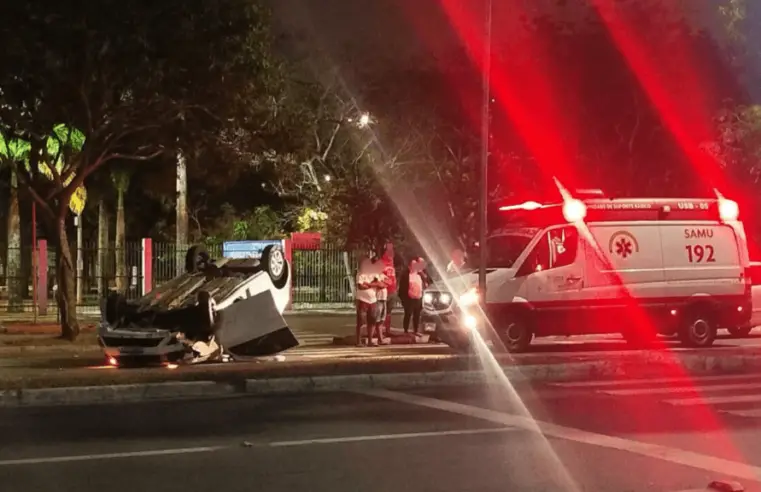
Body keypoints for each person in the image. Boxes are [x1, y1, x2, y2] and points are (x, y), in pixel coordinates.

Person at [355, 254, 384, 346]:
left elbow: (381, 285)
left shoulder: (374, 274)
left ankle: (370, 341)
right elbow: (360, 286)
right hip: (362, 300)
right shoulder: (360, 274)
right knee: (361, 321)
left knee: (372, 321)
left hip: (373, 300)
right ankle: (358, 341)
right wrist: (373, 284)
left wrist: (370, 284)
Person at [399, 257, 427, 334]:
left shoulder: (419, 275)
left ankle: (416, 330)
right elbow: (402, 289)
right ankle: (406, 331)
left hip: (418, 298)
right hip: (409, 299)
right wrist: (404, 299)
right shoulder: (406, 275)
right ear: (409, 266)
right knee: (408, 314)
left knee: (417, 315)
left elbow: (426, 283)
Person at [381, 242, 398, 337]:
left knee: (389, 312)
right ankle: (381, 331)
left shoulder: (391, 261)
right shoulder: (382, 262)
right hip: (385, 291)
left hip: (392, 290)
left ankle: (387, 330)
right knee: (382, 311)